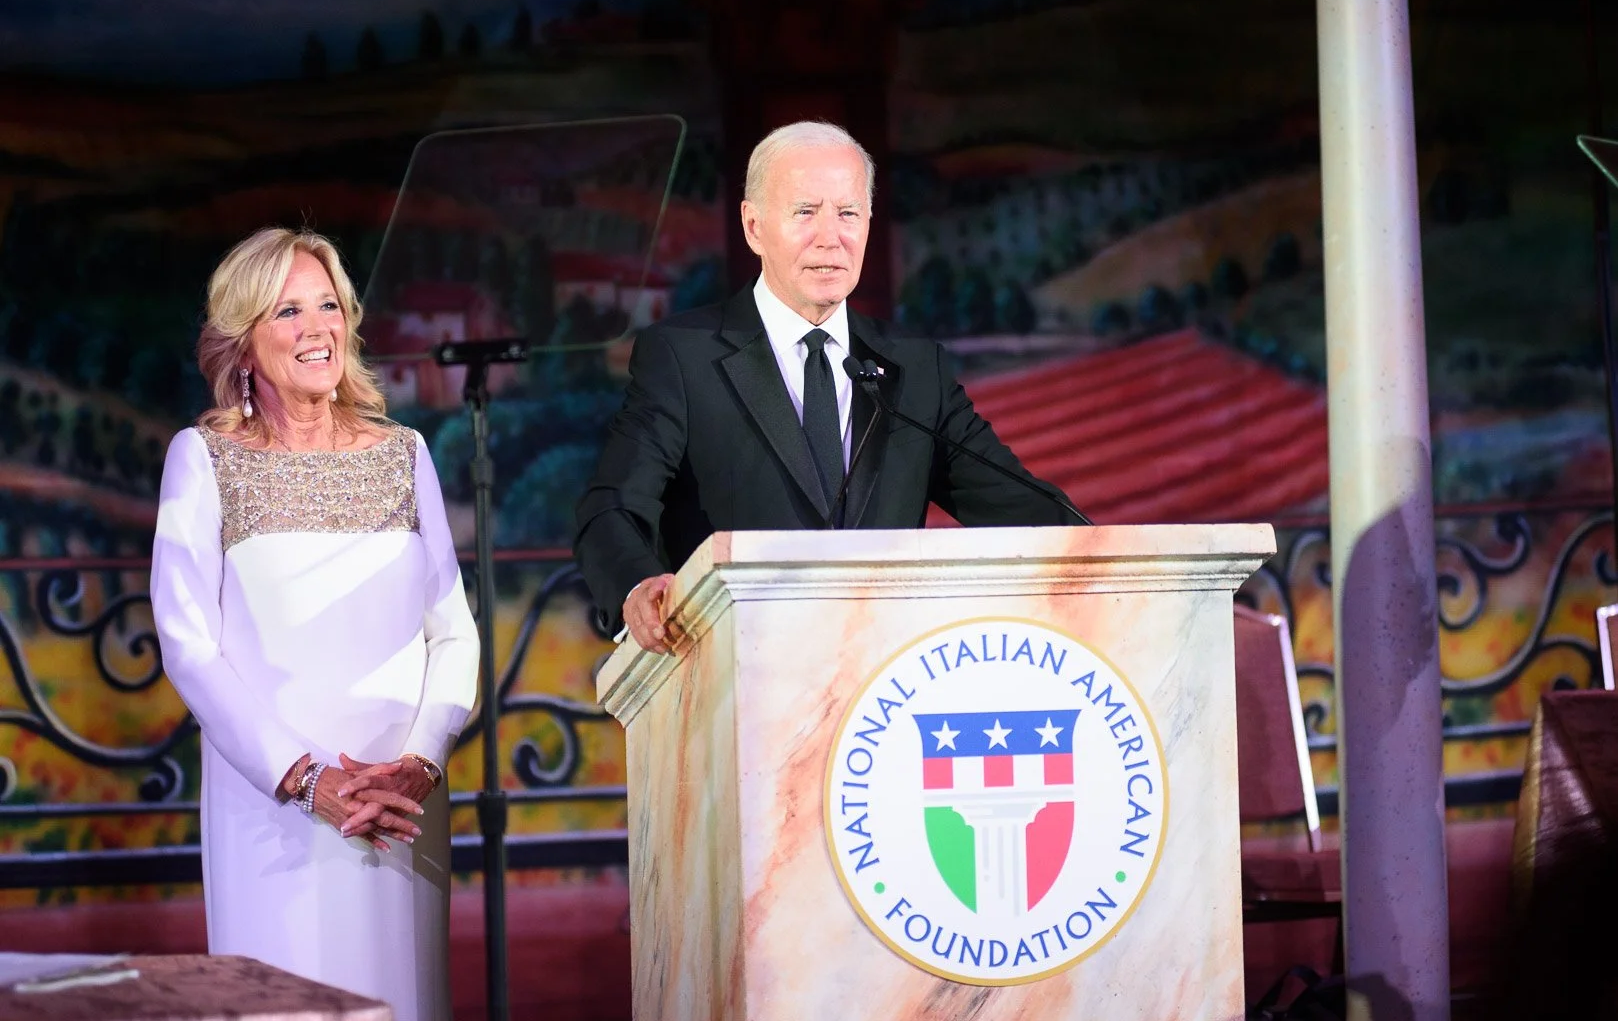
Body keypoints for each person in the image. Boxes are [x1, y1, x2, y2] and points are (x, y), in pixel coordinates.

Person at [575, 121, 1081, 651]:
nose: (830, 237)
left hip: (883, 680)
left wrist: (1107, 552)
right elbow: (611, 507)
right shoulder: (684, 356)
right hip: (736, 669)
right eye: (805, 212)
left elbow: (1021, 508)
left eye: (847, 213)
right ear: (753, 227)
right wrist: (638, 586)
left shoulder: (913, 370)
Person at [151, 227, 478, 1021]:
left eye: (327, 305)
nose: (316, 327)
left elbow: (454, 634)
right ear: (244, 343)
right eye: (287, 311)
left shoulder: (404, 454)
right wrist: (305, 781)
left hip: (399, 808)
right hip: (274, 814)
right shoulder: (205, 458)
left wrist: (418, 767)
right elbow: (188, 645)